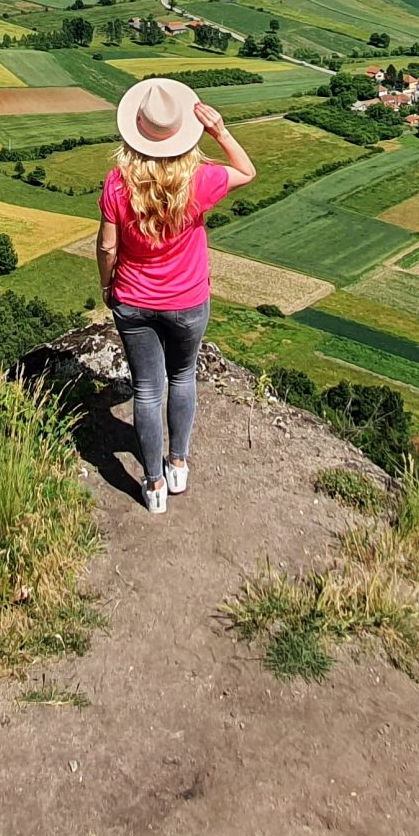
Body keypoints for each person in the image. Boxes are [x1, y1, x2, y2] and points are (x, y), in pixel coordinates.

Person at [97, 76, 257, 514]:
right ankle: (178, 464)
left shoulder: (117, 183)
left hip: (133, 298)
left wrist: (108, 284)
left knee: (148, 390)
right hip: (187, 299)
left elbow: (108, 246)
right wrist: (221, 131)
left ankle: (152, 487)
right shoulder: (200, 181)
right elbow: (247, 171)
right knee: (183, 377)